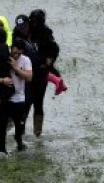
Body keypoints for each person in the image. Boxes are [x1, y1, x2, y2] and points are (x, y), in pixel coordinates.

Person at [25, 9, 64, 137]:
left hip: (41, 73)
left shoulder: (46, 33)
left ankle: (37, 132)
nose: (34, 24)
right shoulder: (26, 31)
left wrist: (50, 60)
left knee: (38, 102)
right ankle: (20, 129)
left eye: (36, 22)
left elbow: (55, 48)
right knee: (26, 101)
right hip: (28, 72)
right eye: (32, 21)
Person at [0, 40, 33, 153]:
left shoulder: (25, 60)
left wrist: (15, 68)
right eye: (14, 52)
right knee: (1, 126)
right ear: (10, 48)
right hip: (4, 98)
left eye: (19, 53)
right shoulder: (3, 58)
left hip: (19, 99)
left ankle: (18, 141)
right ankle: (1, 151)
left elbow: (29, 77)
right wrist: (1, 80)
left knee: (19, 126)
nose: (16, 55)